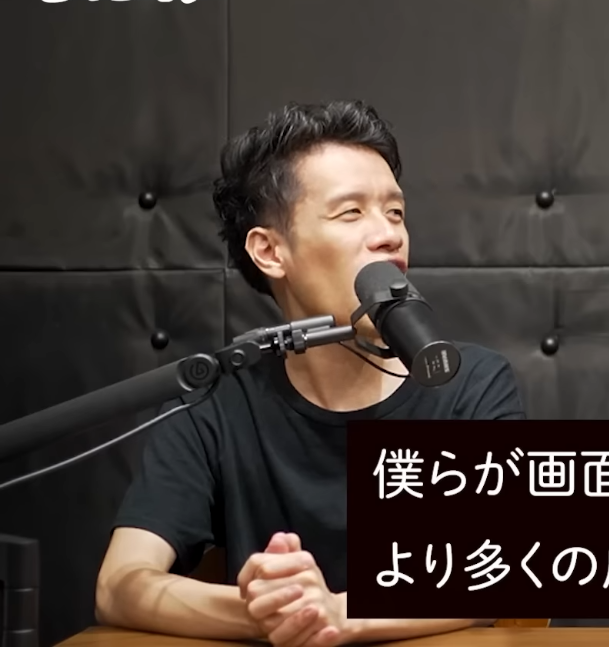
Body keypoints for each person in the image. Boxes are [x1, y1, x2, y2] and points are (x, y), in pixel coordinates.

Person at [95, 101, 525, 645]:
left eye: (395, 212)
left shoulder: (472, 383)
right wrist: (272, 611)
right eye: (351, 213)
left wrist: (340, 614)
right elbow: (119, 584)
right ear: (270, 251)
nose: (389, 235)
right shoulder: (214, 402)